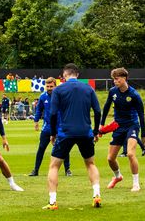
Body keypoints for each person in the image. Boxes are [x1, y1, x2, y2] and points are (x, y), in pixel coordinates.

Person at [44, 63, 102, 210]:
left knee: (54, 166)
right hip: (85, 132)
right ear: (77, 74)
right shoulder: (88, 88)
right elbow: (97, 111)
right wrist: (95, 131)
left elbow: (52, 113)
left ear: (64, 75)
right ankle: (96, 195)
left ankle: (53, 202)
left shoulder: (58, 90)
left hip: (65, 132)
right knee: (90, 164)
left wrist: (52, 133)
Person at [99, 68, 145, 192]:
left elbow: (141, 115)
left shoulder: (134, 94)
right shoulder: (112, 92)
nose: (115, 81)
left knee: (130, 154)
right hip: (118, 126)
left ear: (124, 78)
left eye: (117, 79)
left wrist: (143, 134)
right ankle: (118, 176)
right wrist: (101, 124)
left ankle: (136, 184)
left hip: (132, 125)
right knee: (110, 159)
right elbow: (106, 108)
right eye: (114, 79)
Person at [31, 77, 71, 177]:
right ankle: (35, 170)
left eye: (51, 86)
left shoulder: (61, 96)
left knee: (64, 148)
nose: (49, 88)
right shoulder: (43, 96)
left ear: (55, 86)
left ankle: (67, 170)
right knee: (41, 148)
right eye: (47, 86)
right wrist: (36, 121)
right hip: (47, 127)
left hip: (60, 127)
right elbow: (39, 110)